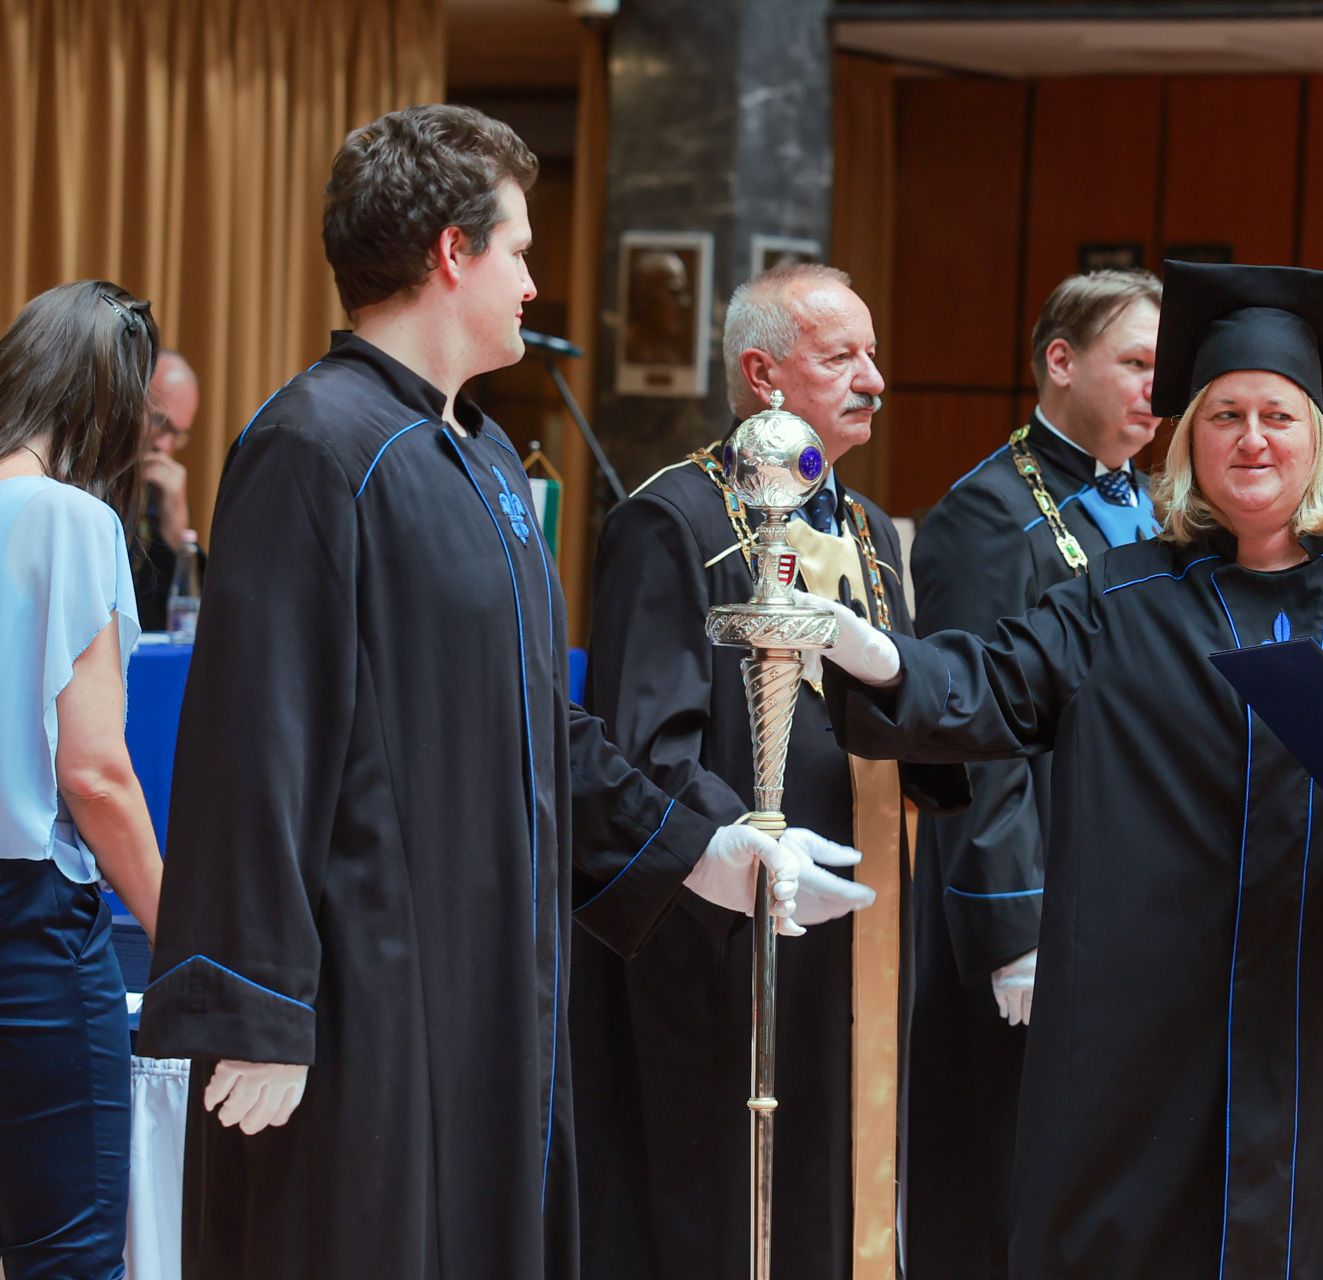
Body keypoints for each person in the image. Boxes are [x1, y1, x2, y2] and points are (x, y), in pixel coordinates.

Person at [136, 105, 826, 1280]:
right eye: (518, 249)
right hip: (364, 993)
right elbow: (256, 735)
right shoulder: (315, 443)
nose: (533, 282)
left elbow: (540, 721)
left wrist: (698, 849)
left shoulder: (487, 457)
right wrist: (254, 1006)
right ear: (451, 253)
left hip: (494, 981)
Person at [810, 261, 1323, 1279]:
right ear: (1190, 438)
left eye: (1278, 416)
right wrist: (884, 658)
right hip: (1155, 1033)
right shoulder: (1120, 597)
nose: (1252, 438)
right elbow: (995, 683)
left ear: (1318, 438)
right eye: (1225, 415)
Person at [571, 263, 963, 1280]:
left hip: (865, 923)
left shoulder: (870, 530)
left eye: (872, 354)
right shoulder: (673, 521)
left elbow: (901, 710)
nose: (874, 379)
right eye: (842, 358)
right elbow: (647, 749)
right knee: (735, 1202)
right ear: (763, 374)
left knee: (848, 1186)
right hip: (736, 930)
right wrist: (746, 856)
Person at [904, 267, 1161, 1279]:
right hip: (1030, 897)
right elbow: (970, 728)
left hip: (1128, 883)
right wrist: (1014, 925)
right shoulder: (987, 512)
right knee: (1006, 1175)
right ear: (1061, 361)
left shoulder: (1151, 504)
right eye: (1135, 362)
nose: (1156, 389)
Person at [0, 280, 167, 1279]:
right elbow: (96, 773)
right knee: (66, 1253)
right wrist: (183, 932)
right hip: (29, 929)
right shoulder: (68, 518)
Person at [132, 349, 201, 630]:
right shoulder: (82, 480)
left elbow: (177, 625)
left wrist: (177, 541)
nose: (164, 446)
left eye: (178, 434)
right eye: (160, 422)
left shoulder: (159, 493)